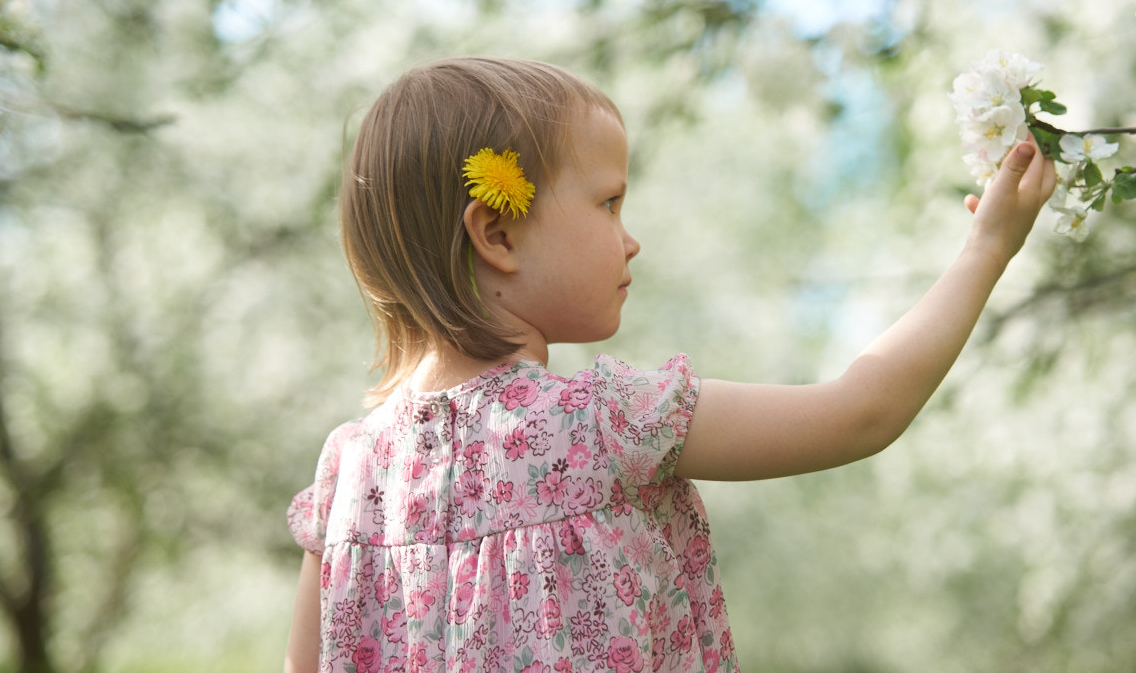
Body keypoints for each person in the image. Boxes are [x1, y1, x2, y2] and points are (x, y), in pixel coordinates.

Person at [283, 57, 1056, 673]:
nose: (631, 238)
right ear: (499, 233)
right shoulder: (607, 425)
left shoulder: (347, 481)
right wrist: (988, 248)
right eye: (609, 203)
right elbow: (863, 411)